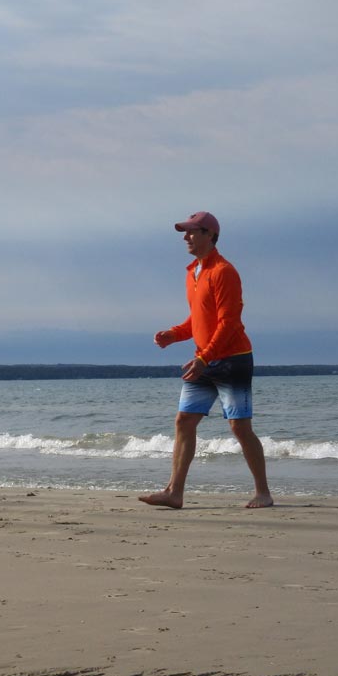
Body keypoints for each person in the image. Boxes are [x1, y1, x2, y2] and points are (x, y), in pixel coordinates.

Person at [139, 211, 274, 510]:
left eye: (192, 231)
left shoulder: (224, 271)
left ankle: (263, 492)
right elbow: (198, 320)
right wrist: (173, 334)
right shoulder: (193, 272)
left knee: (240, 428)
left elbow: (228, 323)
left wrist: (204, 357)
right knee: (184, 421)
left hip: (232, 359)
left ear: (210, 235)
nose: (186, 237)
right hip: (204, 359)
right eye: (184, 232)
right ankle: (174, 492)